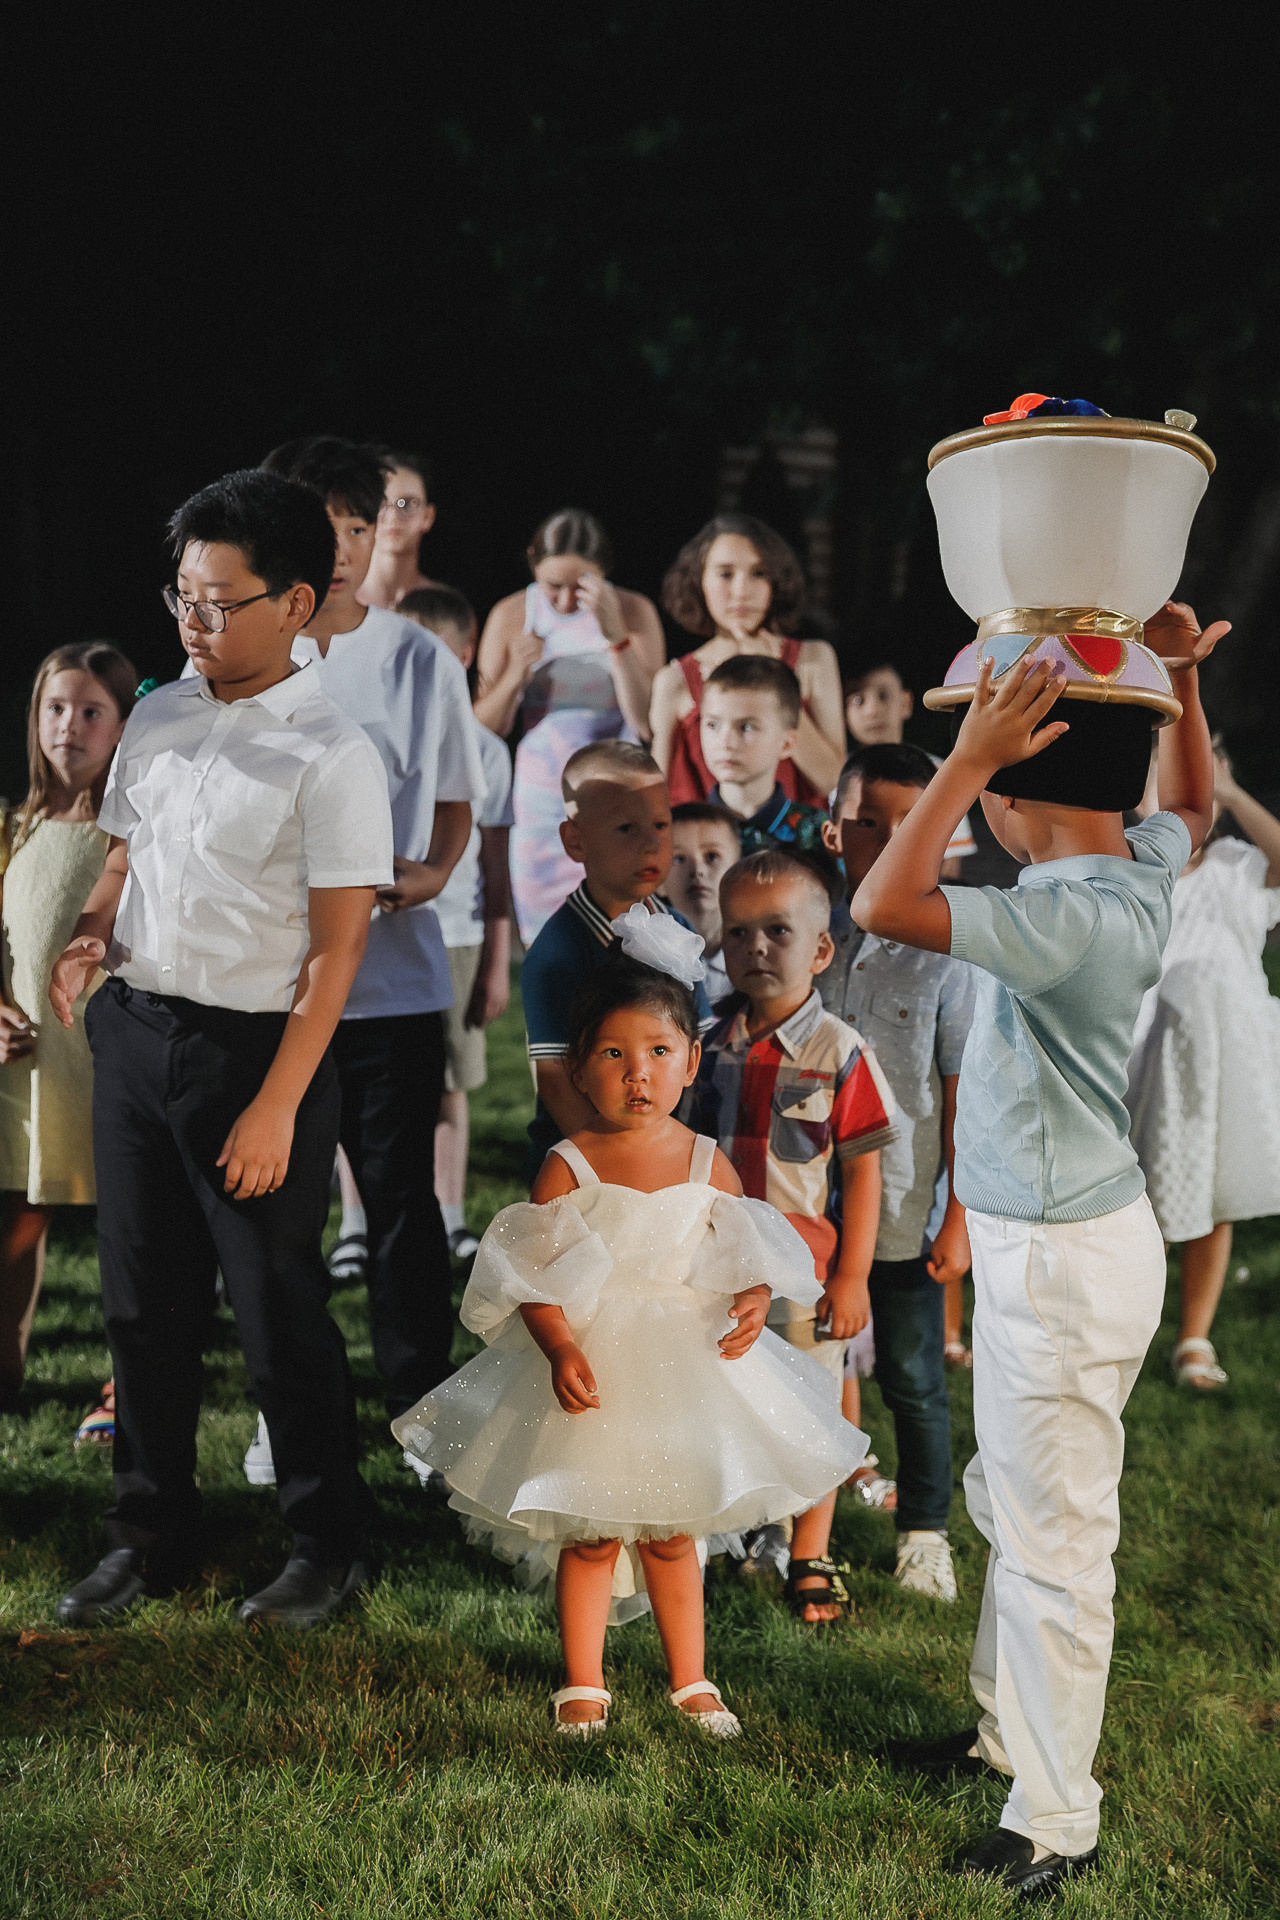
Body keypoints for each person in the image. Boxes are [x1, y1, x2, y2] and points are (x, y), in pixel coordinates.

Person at [855, 600, 1224, 1895]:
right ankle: (1007, 1738)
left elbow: (880, 898)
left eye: (989, 795)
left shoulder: (1058, 916)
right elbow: (1202, 809)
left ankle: (1054, 1820)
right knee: (1016, 1509)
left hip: (1060, 1264)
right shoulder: (1131, 865)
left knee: (1057, 1543)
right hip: (1060, 1239)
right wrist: (1175, 678)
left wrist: (962, 760)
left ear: (1013, 796)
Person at [52, 469, 395, 1628]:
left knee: (276, 1312)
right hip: (137, 1034)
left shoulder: (332, 756)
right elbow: (123, 849)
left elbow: (337, 956)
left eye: (218, 602)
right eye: (182, 598)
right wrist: (93, 930)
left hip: (258, 1057)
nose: (194, 624)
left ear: (295, 604)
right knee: (141, 1308)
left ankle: (325, 1546)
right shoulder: (158, 709)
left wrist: (278, 1107)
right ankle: (145, 1535)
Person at [393, 916, 867, 1733]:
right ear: (578, 1068)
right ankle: (584, 1680)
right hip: (599, 1369)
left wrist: (753, 1300)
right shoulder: (568, 1164)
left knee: (673, 1534)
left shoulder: (701, 1159)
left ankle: (692, 1678)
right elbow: (529, 1273)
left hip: (684, 1369)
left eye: (656, 1052)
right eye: (612, 1054)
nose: (636, 1073)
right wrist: (559, 1341)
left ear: (689, 1060)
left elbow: (740, 1250)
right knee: (588, 1534)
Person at [257, 438, 486, 1457]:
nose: (341, 548)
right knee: (280, 1213)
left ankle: (422, 1414)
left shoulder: (413, 656)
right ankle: (290, 1413)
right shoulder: (242, 645)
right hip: (268, 986)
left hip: (390, 986)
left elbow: (452, 801)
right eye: (320, 526)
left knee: (400, 1210)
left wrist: (432, 875)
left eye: (358, 525)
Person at [698, 849, 897, 1622]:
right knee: (728, 1405)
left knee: (813, 1417)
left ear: (821, 948)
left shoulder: (840, 1052)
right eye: (739, 930)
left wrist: (853, 1278)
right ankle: (739, 1534)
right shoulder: (704, 1045)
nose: (755, 947)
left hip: (806, 1276)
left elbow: (867, 1176)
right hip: (715, 1274)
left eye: (776, 930)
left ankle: (811, 1553)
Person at [819, 742, 978, 1603]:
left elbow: (961, 1095)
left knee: (913, 1375)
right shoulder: (807, 927)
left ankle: (924, 1528)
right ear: (831, 826)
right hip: (805, 1199)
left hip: (906, 1202)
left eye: (908, 824)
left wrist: (955, 1215)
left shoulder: (949, 952)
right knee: (803, 1358)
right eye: (865, 823)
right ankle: (782, 1520)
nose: (883, 841)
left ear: (941, 832)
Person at [0, 644, 136, 1414]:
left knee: (127, 1232)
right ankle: (6, 1367)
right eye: (57, 708)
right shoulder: (14, 828)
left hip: (105, 1062)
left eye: (92, 713)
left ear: (121, 728)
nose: (70, 727)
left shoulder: (131, 838)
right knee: (15, 1220)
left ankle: (127, 1389)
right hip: (25, 1071)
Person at [1126, 745, 1280, 1388]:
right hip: (1152, 1059)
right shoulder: (1137, 874)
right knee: (1143, 1202)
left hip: (1228, 1060)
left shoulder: (1238, 866)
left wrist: (1236, 791)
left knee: (1212, 1192)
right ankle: (1124, 1330)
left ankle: (1194, 1335)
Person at [520, 739, 712, 1181]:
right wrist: (613, 1168)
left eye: (661, 825)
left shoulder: (679, 931)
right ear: (576, 840)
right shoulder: (557, 952)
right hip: (586, 1161)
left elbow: (695, 1051)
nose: (650, 844)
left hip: (665, 1147)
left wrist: (678, 1146)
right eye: (626, 828)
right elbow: (554, 1078)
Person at [474, 509, 665, 947]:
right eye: (552, 587)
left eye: (578, 587)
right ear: (532, 566)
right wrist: (514, 677)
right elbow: (486, 727)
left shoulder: (634, 610)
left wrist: (617, 637)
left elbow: (646, 721)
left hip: (617, 799)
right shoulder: (511, 613)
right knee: (549, 947)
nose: (563, 602)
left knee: (618, 944)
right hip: (541, 802)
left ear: (602, 573)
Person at [400, 585, 515, 1263]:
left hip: (459, 936)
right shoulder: (377, 733)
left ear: (467, 656)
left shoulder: (487, 751)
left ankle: (448, 1213)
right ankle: (358, 1222)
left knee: (451, 1082)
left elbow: (495, 864)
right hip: (387, 929)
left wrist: (498, 961)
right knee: (373, 1085)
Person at [651, 514, 845, 806]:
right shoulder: (675, 679)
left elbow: (832, 781)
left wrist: (776, 677)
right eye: (725, 574)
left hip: (798, 843)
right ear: (698, 579)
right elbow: (655, 796)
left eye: (758, 573)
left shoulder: (813, 660)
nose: (741, 591)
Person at [844, 659, 976, 882]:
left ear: (905, 703)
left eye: (884, 696)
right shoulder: (836, 777)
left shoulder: (939, 773)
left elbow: (951, 860)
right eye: (858, 700)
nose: (872, 710)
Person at [698, 656, 832, 866]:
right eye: (713, 725)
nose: (726, 742)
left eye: (746, 727)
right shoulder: (682, 831)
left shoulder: (816, 830)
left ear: (786, 744)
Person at [665, 803, 741, 1007]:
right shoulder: (648, 962)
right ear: (658, 883)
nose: (697, 870)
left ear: (738, 872)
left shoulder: (758, 957)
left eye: (712, 856)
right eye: (678, 858)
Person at [358, 449, 438, 609]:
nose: (393, 516)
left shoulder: (446, 607)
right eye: (380, 502)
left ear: (428, 516)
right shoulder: (335, 603)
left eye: (408, 503)